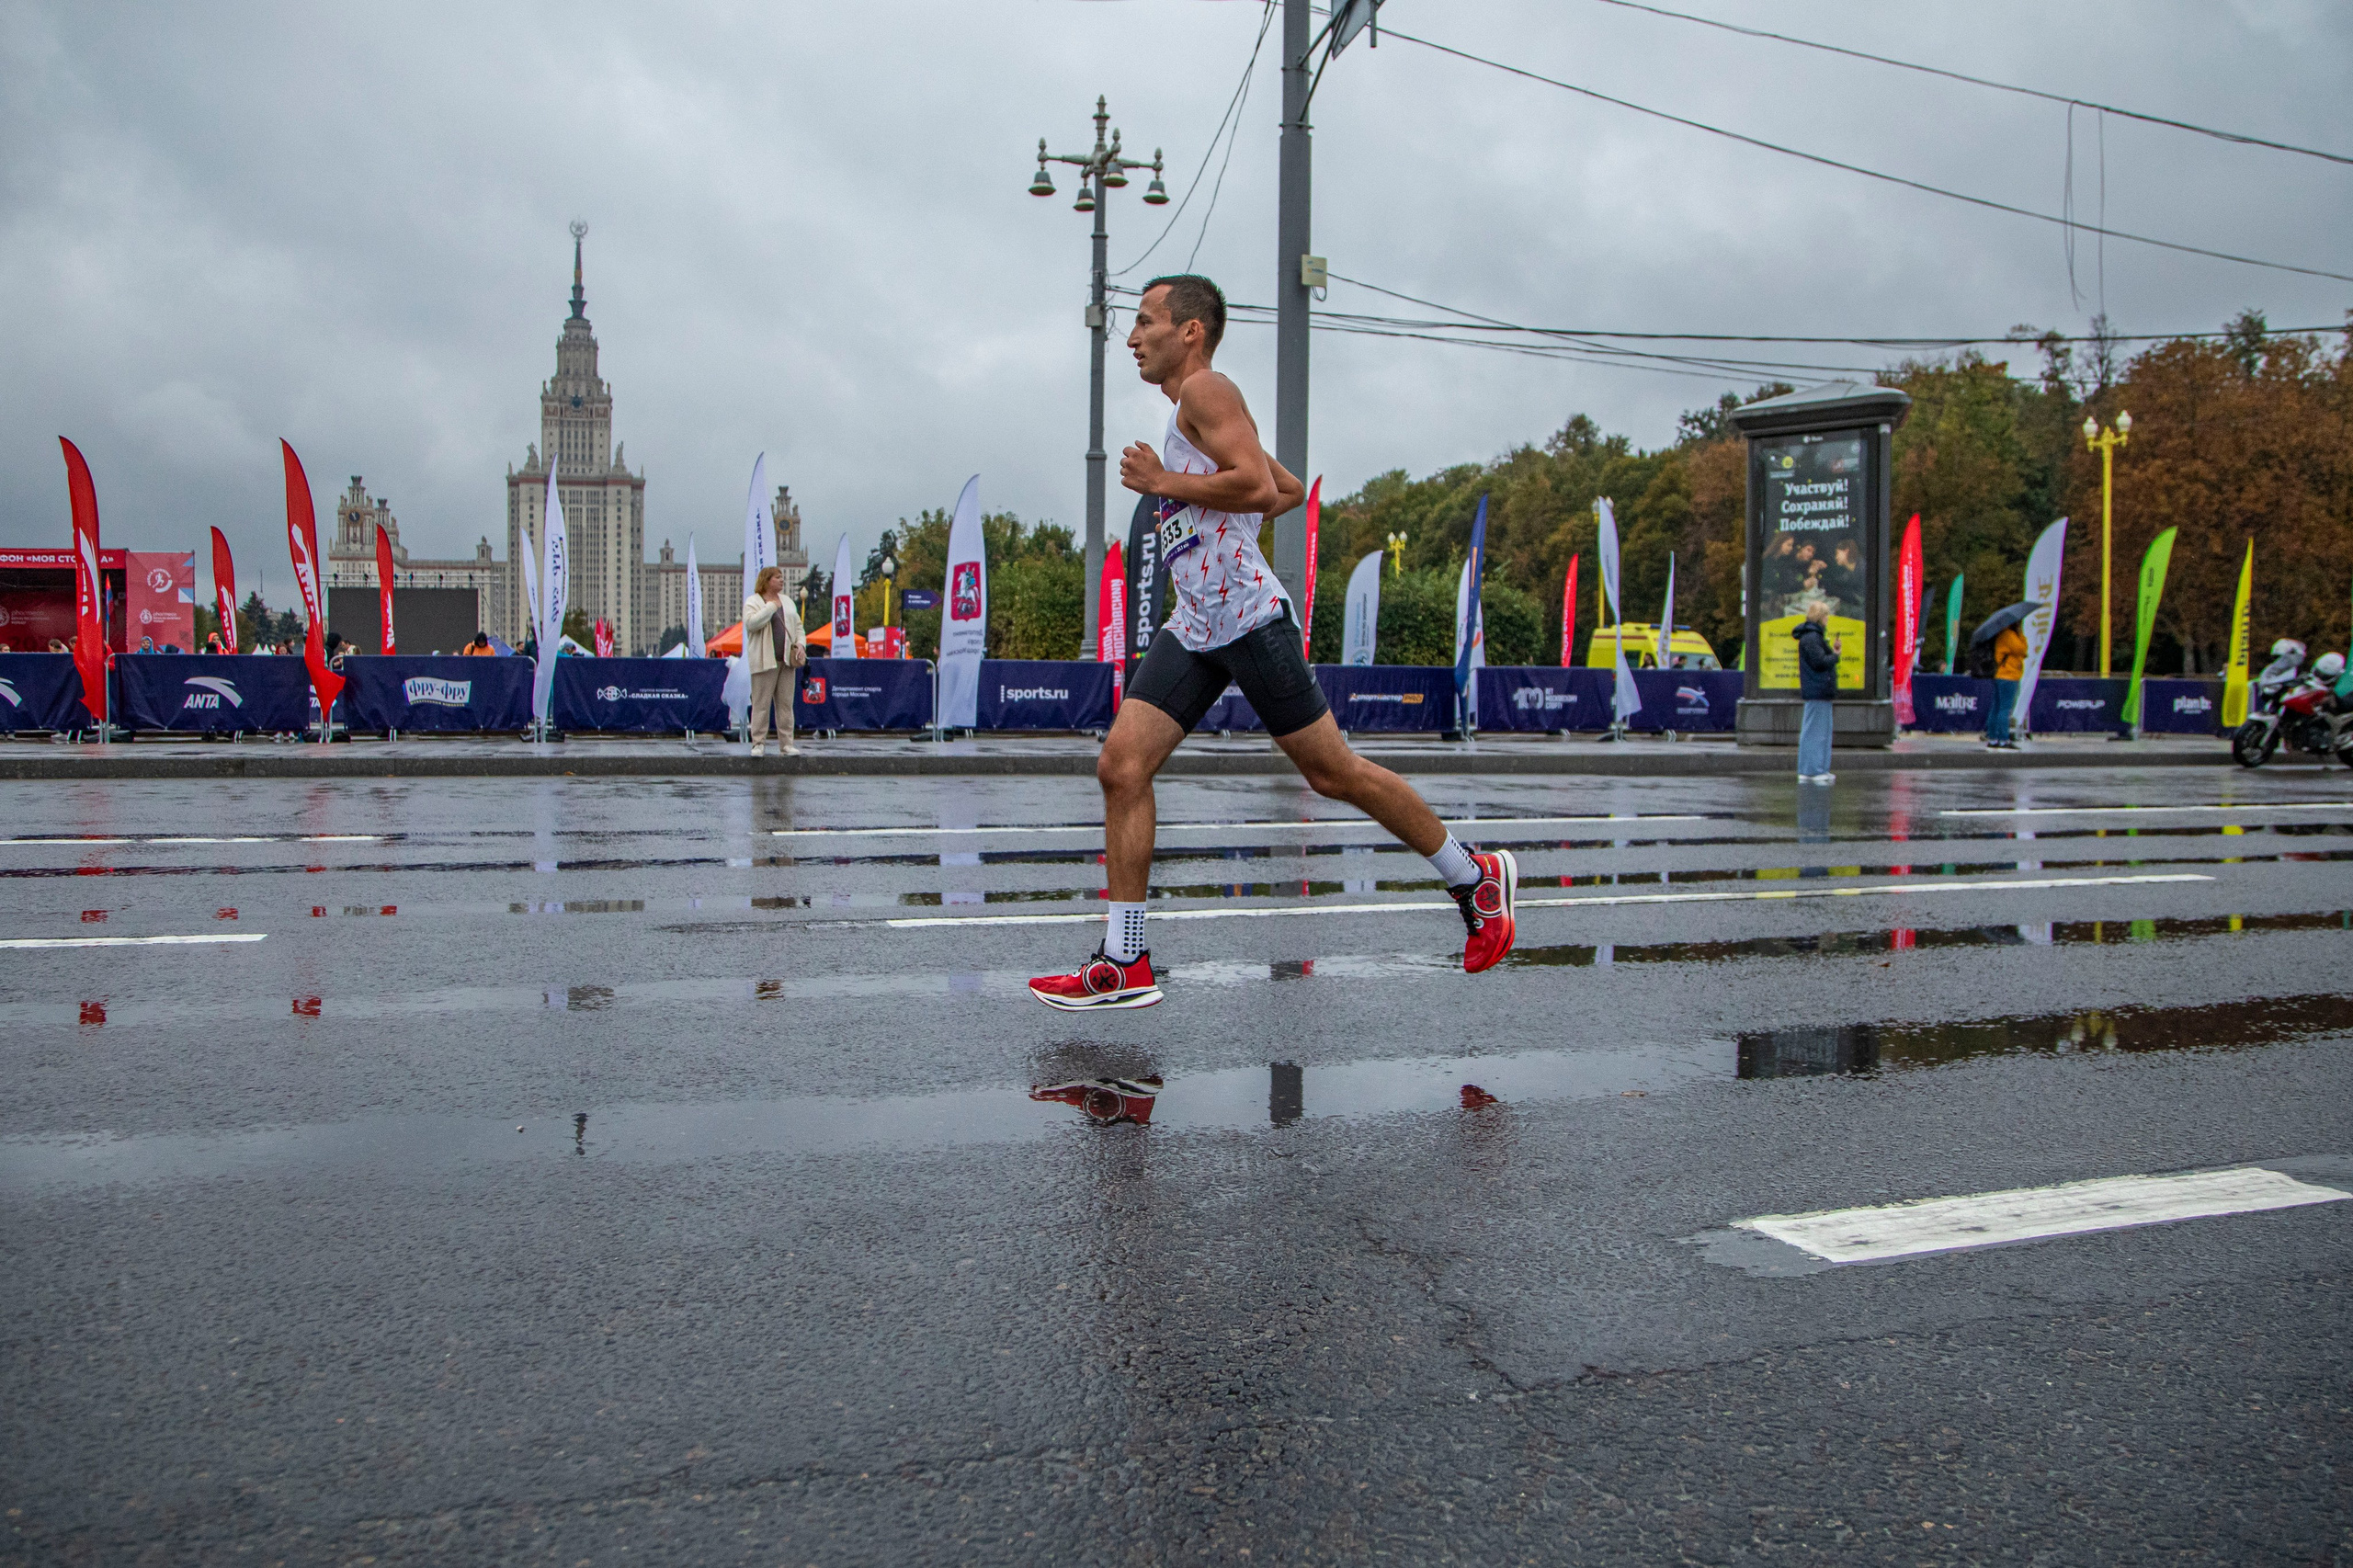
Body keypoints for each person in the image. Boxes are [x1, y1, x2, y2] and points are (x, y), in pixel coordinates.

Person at [1027, 274, 1518, 1012]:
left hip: (1249, 619)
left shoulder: (1207, 391)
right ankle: (1122, 960)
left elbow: (1256, 485)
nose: (1132, 337)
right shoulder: (1193, 411)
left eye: (1146, 321)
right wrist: (1193, 482)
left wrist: (1164, 480)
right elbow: (1283, 489)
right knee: (1122, 767)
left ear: (1190, 331)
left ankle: (1472, 874)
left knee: (1334, 774)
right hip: (1196, 625)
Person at [742, 564, 804, 757]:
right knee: (761, 705)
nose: (782, 580)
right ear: (767, 580)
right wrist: (770, 607)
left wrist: (801, 644)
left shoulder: (787, 601)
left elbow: (799, 627)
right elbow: (751, 624)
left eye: (782, 577)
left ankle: (786, 744)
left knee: (786, 705)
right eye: (777, 577)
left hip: (786, 661)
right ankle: (758, 743)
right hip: (764, 661)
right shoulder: (754, 601)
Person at [1792, 598, 1840, 783]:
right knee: (1815, 731)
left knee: (1820, 731)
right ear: (1820, 617)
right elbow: (1820, 662)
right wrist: (1835, 656)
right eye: (1826, 615)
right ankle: (1811, 770)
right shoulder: (1812, 638)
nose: (1828, 618)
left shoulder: (1812, 636)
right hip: (1818, 689)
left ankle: (1818, 768)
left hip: (1819, 690)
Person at [1985, 619, 2028, 749]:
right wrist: (2020, 635)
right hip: (2009, 675)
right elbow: (2022, 649)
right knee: (2004, 709)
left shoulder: (2002, 634)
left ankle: (1992, 738)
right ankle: (2003, 739)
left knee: (1996, 708)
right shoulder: (2009, 635)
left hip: (2001, 675)